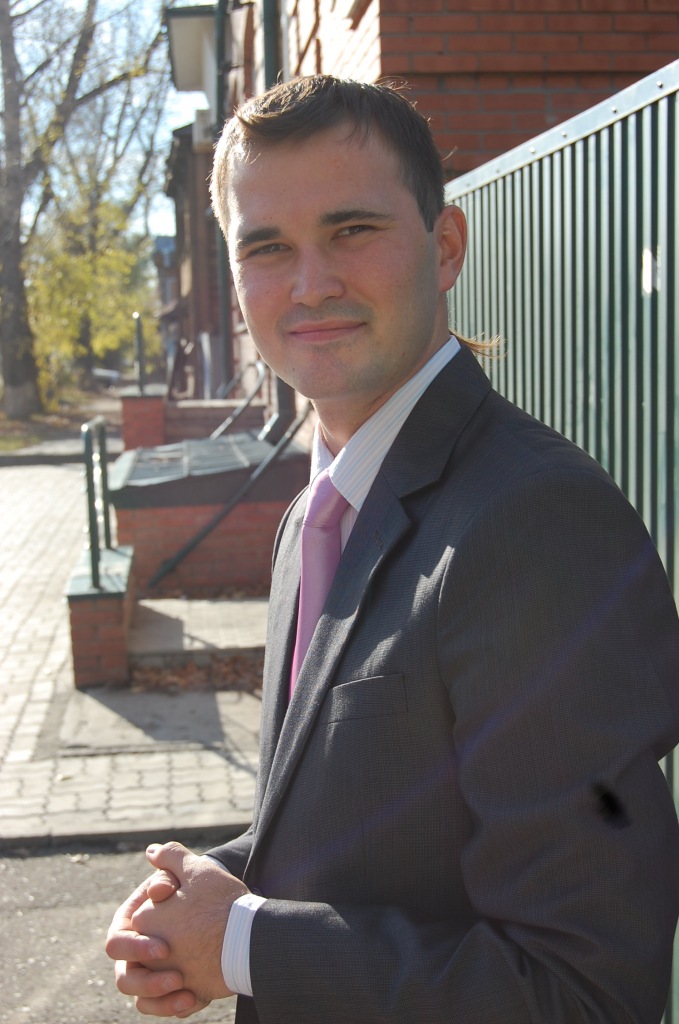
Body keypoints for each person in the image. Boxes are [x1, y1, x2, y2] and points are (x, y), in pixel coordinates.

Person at [106, 75, 679, 1024]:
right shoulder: (312, 514)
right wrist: (213, 889)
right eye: (266, 246)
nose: (311, 283)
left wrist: (242, 944)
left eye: (352, 230)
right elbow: (373, 825)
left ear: (445, 247)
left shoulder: (536, 523)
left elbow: (583, 992)